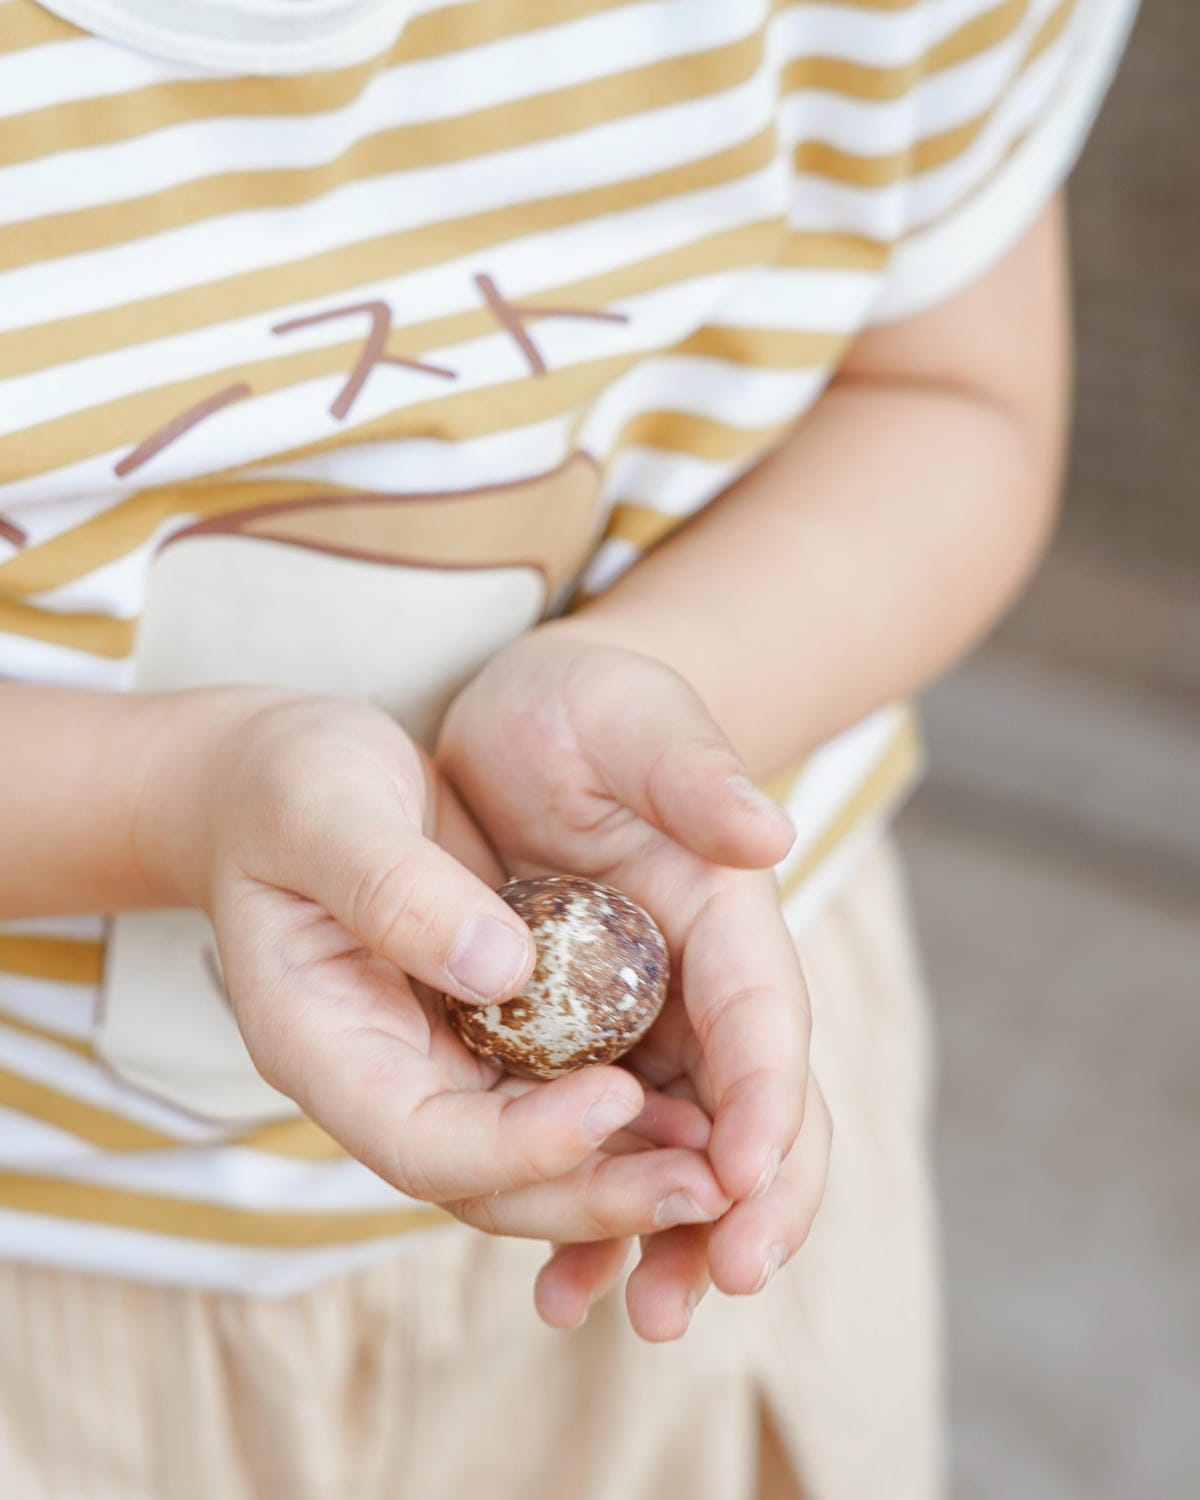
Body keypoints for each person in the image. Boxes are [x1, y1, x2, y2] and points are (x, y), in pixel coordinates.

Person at [0, 0, 1137, 1495]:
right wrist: (175, 799)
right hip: (54, 1251)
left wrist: (671, 678)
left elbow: (951, 398)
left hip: (689, 1145)